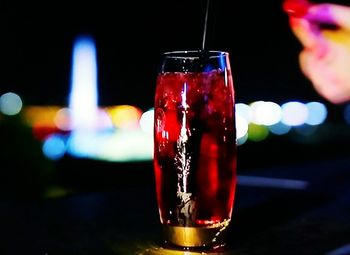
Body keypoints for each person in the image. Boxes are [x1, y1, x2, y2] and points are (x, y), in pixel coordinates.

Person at [283, 0, 350, 104]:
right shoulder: (309, 58)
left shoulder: (342, 40)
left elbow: (340, 14)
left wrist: (311, 11)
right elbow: (333, 93)